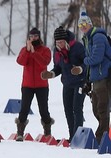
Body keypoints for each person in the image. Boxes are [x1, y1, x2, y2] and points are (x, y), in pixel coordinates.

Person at [41, 26, 87, 142]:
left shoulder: (78, 47)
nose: (60, 44)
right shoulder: (57, 51)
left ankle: (78, 137)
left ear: (66, 41)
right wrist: (50, 74)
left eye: (61, 42)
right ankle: (72, 136)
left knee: (77, 108)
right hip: (67, 83)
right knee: (68, 110)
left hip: (80, 83)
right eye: (57, 42)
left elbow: (87, 63)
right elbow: (58, 68)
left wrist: (80, 69)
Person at [78, 11, 111, 143]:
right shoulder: (87, 38)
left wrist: (85, 60)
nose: (82, 26)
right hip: (95, 78)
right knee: (96, 108)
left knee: (102, 108)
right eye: (80, 24)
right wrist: (87, 79)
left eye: (85, 23)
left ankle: (101, 137)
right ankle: (105, 131)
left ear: (90, 24)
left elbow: (95, 59)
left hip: (104, 76)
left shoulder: (98, 37)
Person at [15, 27, 54, 141]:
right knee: (24, 109)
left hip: (42, 85)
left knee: (43, 109)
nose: (33, 39)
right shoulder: (24, 49)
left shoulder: (45, 50)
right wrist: (27, 51)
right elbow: (20, 61)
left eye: (36, 36)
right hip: (27, 84)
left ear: (39, 37)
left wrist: (34, 53)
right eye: (31, 37)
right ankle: (20, 132)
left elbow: (44, 62)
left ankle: (47, 131)